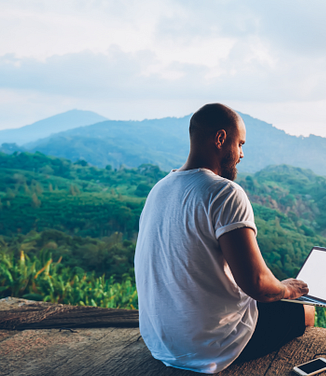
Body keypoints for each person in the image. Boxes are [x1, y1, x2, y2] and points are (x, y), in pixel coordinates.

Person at [135, 103, 316, 374]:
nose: (242, 154)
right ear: (220, 139)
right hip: (207, 348)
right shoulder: (224, 192)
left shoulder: (159, 189)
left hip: (160, 343)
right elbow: (256, 284)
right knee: (306, 311)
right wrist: (286, 289)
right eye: (240, 144)